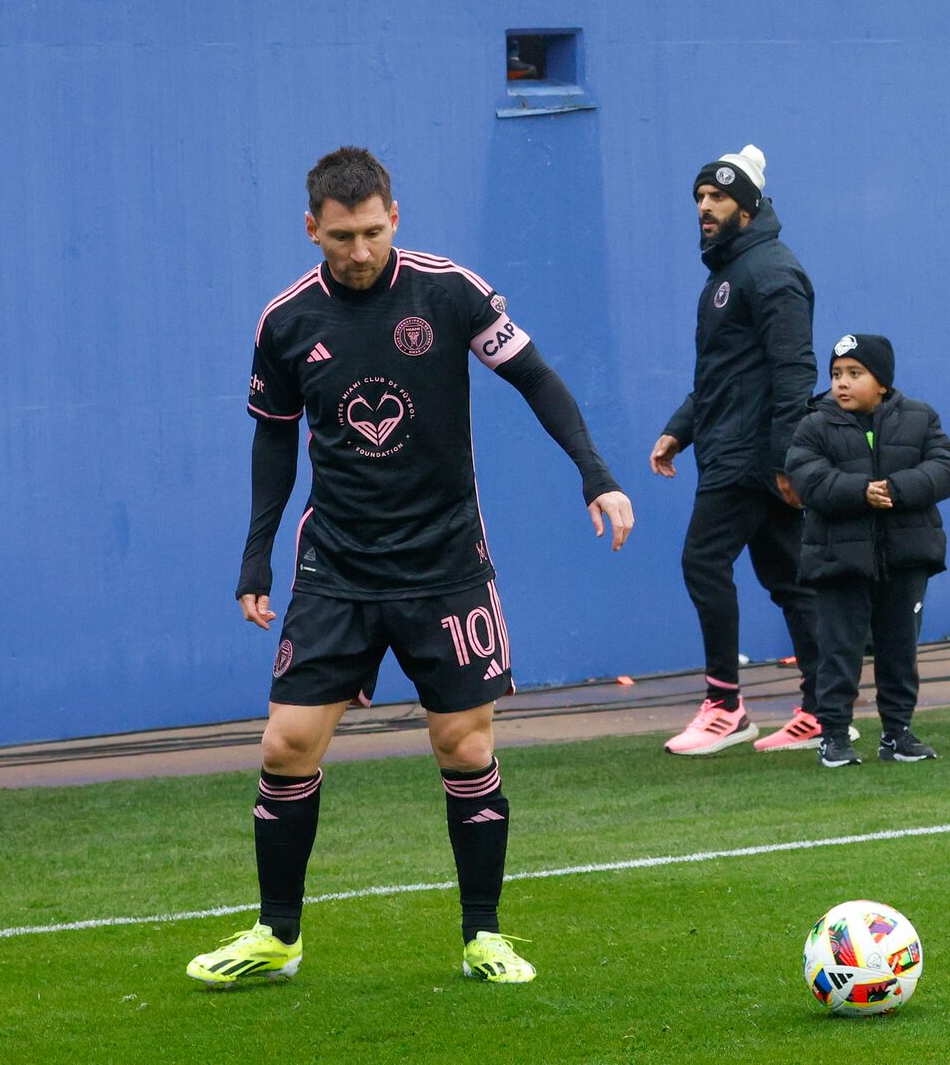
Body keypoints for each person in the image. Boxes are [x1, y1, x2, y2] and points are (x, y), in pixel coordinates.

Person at [183, 147, 633, 991]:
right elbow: (274, 437)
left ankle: (482, 936)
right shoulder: (285, 321)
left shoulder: (448, 290)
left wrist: (595, 473)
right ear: (311, 228)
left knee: (462, 747)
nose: (360, 251)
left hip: (445, 564)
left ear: (397, 217)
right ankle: (277, 936)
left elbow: (536, 379)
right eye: (343, 235)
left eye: (375, 231)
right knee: (285, 744)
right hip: (338, 567)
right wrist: (256, 553)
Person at [649, 146, 828, 753]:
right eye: (700, 198)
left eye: (717, 198)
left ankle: (726, 705)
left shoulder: (772, 271)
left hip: (751, 457)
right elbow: (722, 374)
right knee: (790, 578)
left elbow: (794, 369)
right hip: (732, 447)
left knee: (703, 562)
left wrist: (785, 460)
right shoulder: (728, 273)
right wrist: (681, 427)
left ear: (747, 210)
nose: (704, 207)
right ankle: (824, 708)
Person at [784, 332, 950, 769]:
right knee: (839, 652)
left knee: (900, 649)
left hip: (906, 560)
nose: (841, 383)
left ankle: (897, 733)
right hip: (839, 562)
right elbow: (807, 477)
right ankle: (834, 736)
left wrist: (898, 489)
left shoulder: (920, 418)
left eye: (854, 374)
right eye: (836, 375)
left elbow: (945, 466)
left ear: (881, 381)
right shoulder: (814, 425)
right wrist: (859, 492)